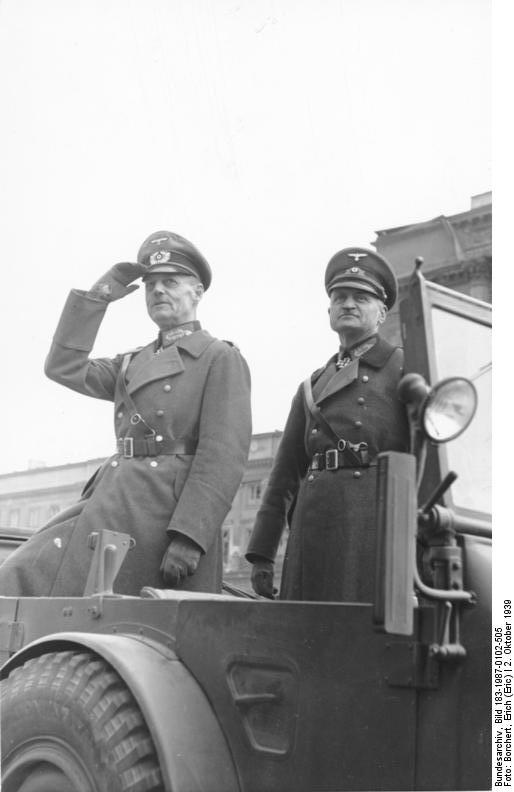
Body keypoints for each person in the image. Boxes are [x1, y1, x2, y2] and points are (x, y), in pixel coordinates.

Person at [0, 231, 252, 596]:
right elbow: (63, 366)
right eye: (151, 285)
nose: (158, 291)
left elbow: (223, 456)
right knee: (20, 575)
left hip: (163, 519)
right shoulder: (133, 362)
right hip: (111, 502)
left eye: (170, 282)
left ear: (197, 292)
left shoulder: (219, 357)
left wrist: (190, 538)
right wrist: (99, 297)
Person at [246, 247, 409, 602]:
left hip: (373, 527)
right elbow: (284, 476)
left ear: (382, 313)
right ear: (329, 310)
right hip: (313, 529)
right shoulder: (312, 386)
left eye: (361, 298)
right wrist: (262, 553)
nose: (348, 304)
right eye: (341, 297)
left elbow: (428, 459)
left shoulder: (405, 368)